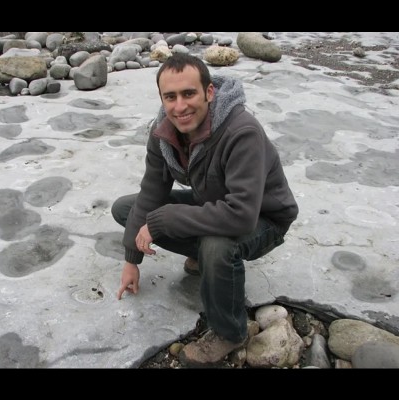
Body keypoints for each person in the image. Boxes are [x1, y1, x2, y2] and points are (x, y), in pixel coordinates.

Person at [111, 52, 299, 367]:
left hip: (264, 218)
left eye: (189, 93)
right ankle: (206, 261)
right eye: (170, 97)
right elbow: (151, 193)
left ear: (209, 92)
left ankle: (230, 331)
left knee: (217, 244)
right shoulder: (163, 132)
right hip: (213, 204)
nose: (180, 106)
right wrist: (132, 259)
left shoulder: (241, 131)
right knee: (126, 209)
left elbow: (241, 215)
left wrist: (165, 221)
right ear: (162, 99)